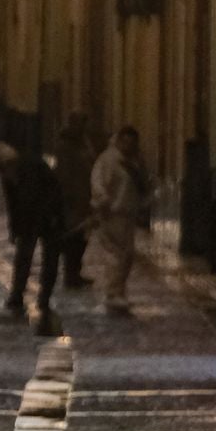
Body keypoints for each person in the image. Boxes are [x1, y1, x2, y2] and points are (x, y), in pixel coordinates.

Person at [0, 138, 65, 332]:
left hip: (48, 218)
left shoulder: (33, 165)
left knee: (50, 259)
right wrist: (14, 228)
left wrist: (53, 215)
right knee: (23, 257)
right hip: (27, 220)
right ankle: (17, 294)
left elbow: (53, 191)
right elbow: (12, 203)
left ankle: (44, 297)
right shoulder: (9, 175)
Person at [88, 123, 150, 314]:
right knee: (115, 255)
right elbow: (98, 182)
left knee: (127, 255)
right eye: (126, 142)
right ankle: (113, 293)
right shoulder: (108, 160)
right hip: (112, 213)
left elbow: (143, 184)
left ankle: (119, 291)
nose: (129, 146)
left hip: (128, 213)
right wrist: (103, 201)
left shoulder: (135, 161)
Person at [53, 112, 96, 286]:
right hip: (72, 199)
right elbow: (63, 174)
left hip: (84, 197)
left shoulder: (84, 143)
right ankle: (70, 274)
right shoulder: (65, 146)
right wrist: (66, 196)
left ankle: (75, 271)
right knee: (73, 237)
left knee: (82, 237)